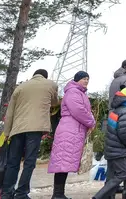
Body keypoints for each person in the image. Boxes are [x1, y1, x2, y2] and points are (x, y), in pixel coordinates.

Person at [2, 69, 59, 199]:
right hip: (35, 128)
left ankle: (6, 193)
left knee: (13, 162)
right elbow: (55, 102)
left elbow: (10, 111)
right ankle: (21, 192)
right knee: (29, 161)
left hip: (17, 129)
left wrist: (6, 132)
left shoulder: (20, 87)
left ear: (33, 76)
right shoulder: (51, 84)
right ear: (45, 76)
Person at [48, 71, 96, 199]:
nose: (86, 81)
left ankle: (59, 194)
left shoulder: (78, 92)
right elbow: (78, 110)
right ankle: (57, 194)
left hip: (74, 129)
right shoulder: (73, 92)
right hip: (70, 130)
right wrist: (91, 122)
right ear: (77, 80)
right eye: (84, 78)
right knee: (62, 162)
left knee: (65, 162)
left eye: (88, 79)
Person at [93, 87, 126, 199]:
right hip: (119, 149)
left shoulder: (116, 110)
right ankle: (98, 197)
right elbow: (124, 132)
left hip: (111, 148)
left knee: (111, 176)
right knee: (122, 173)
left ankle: (108, 197)